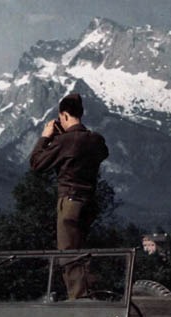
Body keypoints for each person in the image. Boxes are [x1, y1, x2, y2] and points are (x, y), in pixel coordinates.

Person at [30, 93, 108, 298]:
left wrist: (46, 137)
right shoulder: (96, 139)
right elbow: (101, 152)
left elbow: (36, 164)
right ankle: (91, 294)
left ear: (64, 115)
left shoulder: (65, 141)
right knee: (83, 251)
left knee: (68, 253)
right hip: (89, 201)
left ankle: (78, 299)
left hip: (69, 200)